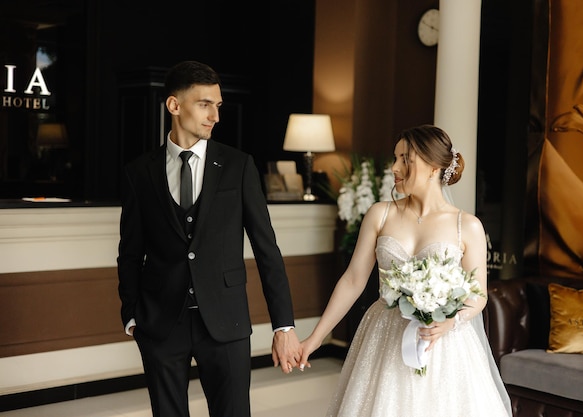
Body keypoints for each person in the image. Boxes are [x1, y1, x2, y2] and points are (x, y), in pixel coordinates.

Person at [117, 60, 301, 417]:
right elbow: (130, 252)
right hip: (160, 324)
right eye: (204, 104)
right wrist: (131, 314)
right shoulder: (139, 172)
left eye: (218, 106)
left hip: (226, 320)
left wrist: (284, 325)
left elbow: (267, 250)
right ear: (174, 105)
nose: (215, 116)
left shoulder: (238, 165)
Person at [299, 125, 512, 416]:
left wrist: (451, 322)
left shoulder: (468, 225)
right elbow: (352, 280)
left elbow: (478, 296)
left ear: (434, 166)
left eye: (405, 159)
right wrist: (315, 338)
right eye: (395, 158)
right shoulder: (380, 213)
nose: (394, 167)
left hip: (442, 343)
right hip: (384, 335)